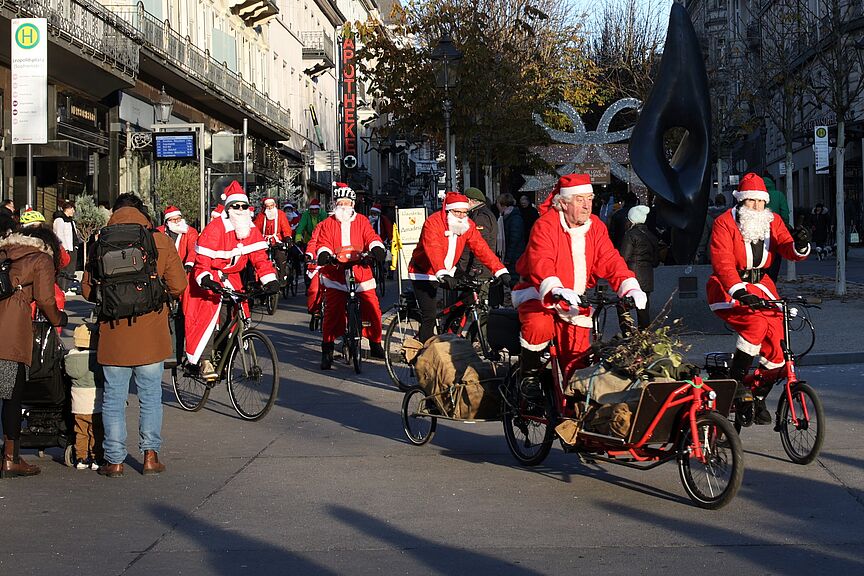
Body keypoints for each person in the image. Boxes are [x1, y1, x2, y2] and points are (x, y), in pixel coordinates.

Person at [81, 193, 188, 478]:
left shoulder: (99, 242)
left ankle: (114, 460)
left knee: (114, 397)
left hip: (113, 332)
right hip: (151, 331)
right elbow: (179, 285)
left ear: (114, 213)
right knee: (151, 394)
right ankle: (150, 456)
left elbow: (88, 292)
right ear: (143, 213)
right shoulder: (159, 240)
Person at [512, 173, 647, 397]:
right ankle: (529, 376)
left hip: (575, 298)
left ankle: (573, 402)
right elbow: (540, 259)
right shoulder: (545, 225)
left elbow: (610, 259)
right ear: (563, 203)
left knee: (578, 357)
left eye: (590, 198)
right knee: (538, 326)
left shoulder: (596, 227)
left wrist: (629, 284)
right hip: (540, 294)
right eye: (580, 199)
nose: (587, 205)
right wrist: (555, 287)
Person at [707, 172, 810, 424]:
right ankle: (737, 381)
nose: (757, 207)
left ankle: (759, 395)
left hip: (762, 285)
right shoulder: (725, 222)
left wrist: (800, 244)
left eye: (761, 202)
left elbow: (787, 247)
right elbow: (722, 261)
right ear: (741, 201)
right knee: (756, 324)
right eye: (752, 202)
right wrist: (739, 291)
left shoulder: (771, 220)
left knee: (778, 341)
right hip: (728, 287)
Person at [184, 182, 279, 379]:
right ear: (228, 209)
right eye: (236, 206)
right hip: (207, 280)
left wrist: (269, 280)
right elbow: (202, 263)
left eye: (244, 206)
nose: (241, 210)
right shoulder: (215, 228)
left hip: (233, 280)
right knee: (207, 319)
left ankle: (224, 357)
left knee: (234, 317)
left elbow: (260, 259)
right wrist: (208, 280)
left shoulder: (250, 230)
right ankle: (204, 361)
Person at [0, 222, 68, 477]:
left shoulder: (5, 253)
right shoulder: (41, 258)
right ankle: (10, 457)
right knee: (12, 396)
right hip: (11, 332)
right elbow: (45, 299)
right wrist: (59, 319)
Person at [409, 192, 510, 344]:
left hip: (449, 269)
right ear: (448, 211)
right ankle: (425, 356)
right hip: (424, 272)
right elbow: (433, 248)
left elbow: (481, 248)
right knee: (429, 316)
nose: (462, 216)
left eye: (465, 212)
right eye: (458, 212)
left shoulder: (467, 225)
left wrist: (500, 270)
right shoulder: (433, 222)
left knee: (471, 294)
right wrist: (442, 273)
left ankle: (449, 328)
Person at [314, 183, 387, 369]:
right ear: (335, 204)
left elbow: (371, 237)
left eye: (347, 202)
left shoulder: (362, 221)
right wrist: (324, 253)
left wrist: (376, 248)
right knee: (333, 311)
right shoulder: (328, 224)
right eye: (340, 203)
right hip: (336, 273)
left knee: (372, 307)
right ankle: (328, 349)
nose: (344, 206)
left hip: (360, 271)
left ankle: (375, 342)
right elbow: (323, 242)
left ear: (353, 204)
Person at [64, 322, 104, 470]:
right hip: (95, 403)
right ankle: (96, 457)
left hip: (77, 404)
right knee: (96, 432)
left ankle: (81, 457)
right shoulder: (97, 359)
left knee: (80, 431)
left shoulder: (71, 359)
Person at [458, 187, 499, 321]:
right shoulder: (479, 214)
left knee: (478, 306)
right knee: (467, 304)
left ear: (471, 201)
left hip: (478, 271)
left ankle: (482, 338)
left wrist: (475, 269)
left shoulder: (481, 217)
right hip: (476, 269)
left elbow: (480, 246)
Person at [618, 205, 660, 333]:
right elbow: (656, 261)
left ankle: (627, 334)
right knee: (643, 310)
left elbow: (623, 257)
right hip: (647, 276)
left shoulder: (630, 235)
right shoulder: (652, 235)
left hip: (632, 277)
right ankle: (644, 337)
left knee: (623, 307)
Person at [253, 196, 293, 286]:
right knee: (260, 258)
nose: (270, 208)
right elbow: (256, 229)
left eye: (271, 206)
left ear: (274, 205)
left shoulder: (280, 214)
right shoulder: (261, 216)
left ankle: (282, 277)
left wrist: (287, 238)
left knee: (280, 257)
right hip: (264, 241)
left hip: (277, 240)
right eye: (268, 206)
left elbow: (286, 227)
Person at [156, 206, 199, 272]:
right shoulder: (159, 232)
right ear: (167, 222)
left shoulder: (190, 231)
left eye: (178, 219)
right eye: (173, 220)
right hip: (163, 267)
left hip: (183, 268)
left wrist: (189, 263)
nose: (176, 222)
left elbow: (193, 248)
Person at [764, 176, 791, 281]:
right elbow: (785, 212)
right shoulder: (779, 195)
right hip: (776, 231)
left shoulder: (758, 196)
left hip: (759, 230)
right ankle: (772, 280)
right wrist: (785, 225)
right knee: (776, 258)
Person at [52, 200, 80, 293]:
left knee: (71, 268)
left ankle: (67, 287)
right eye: (72, 209)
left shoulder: (71, 221)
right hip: (65, 249)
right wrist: (65, 248)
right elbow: (59, 235)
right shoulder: (59, 220)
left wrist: (75, 246)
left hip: (72, 248)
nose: (73, 211)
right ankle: (62, 288)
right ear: (68, 209)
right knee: (64, 269)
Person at [496, 192, 526, 278]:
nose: (496, 206)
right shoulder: (505, 217)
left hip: (514, 256)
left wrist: (508, 258)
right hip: (513, 255)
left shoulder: (514, 218)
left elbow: (514, 239)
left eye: (498, 203)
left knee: (513, 279)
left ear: (503, 205)